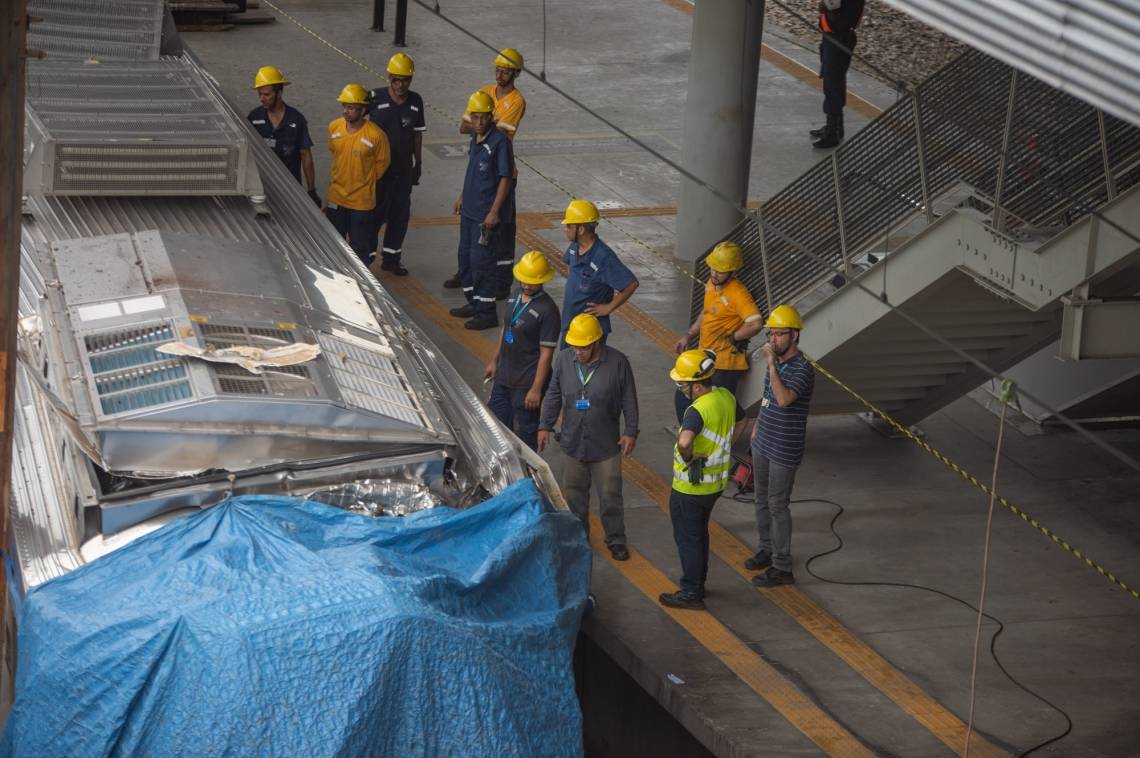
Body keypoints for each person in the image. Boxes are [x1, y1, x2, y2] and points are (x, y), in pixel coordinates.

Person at [538, 314, 639, 561]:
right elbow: (553, 393)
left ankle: (616, 539)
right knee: (574, 496)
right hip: (572, 443)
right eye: (574, 345)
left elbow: (629, 399)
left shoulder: (618, 363)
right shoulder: (564, 360)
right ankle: (578, 536)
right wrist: (545, 425)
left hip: (606, 445)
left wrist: (630, 431)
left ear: (596, 342)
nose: (578, 351)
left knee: (610, 496)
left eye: (583, 346)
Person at [659, 350, 746, 611]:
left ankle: (691, 592)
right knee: (699, 535)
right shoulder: (725, 397)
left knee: (688, 538)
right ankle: (698, 582)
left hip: (691, 487)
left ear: (696, 386)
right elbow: (742, 421)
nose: (680, 389)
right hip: (715, 485)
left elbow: (685, 441)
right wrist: (724, 446)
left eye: (682, 384)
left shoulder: (696, 411)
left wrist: (689, 456)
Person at [445, 47, 527, 297]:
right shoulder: (484, 92)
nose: (500, 73)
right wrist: (485, 123)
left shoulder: (516, 101)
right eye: (498, 68)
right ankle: (467, 271)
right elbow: (463, 127)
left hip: (501, 168)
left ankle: (500, 282)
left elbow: (499, 133)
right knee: (471, 231)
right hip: (481, 166)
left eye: (506, 70)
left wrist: (482, 123)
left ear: (516, 72)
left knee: (500, 228)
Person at [747, 305, 815, 587]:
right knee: (760, 499)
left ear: (795, 335)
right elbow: (768, 397)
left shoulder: (803, 368)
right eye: (771, 334)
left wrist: (772, 366)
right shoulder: (776, 363)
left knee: (777, 504)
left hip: (784, 448)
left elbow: (785, 399)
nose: (773, 339)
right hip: (763, 441)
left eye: (779, 334)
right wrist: (757, 425)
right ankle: (766, 548)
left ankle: (782, 566)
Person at [673, 241, 763, 423]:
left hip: (725, 365)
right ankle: (691, 436)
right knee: (684, 396)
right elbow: (706, 313)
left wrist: (735, 337)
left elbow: (756, 323)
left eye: (720, 271)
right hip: (706, 356)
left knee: (715, 408)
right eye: (712, 268)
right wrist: (688, 336)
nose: (714, 273)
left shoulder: (738, 294)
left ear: (732, 271)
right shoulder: (711, 284)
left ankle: (708, 442)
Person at [448, 90, 514, 331]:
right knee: (464, 259)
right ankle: (474, 303)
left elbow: (505, 178)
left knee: (482, 264)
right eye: (474, 118)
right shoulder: (475, 140)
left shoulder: (500, 143)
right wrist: (462, 196)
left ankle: (486, 313)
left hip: (484, 216)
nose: (478, 123)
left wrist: (494, 211)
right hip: (469, 212)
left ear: (491, 117)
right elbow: (473, 171)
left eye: (483, 118)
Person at [484, 251, 561, 451]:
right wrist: (495, 360)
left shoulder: (548, 310)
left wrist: (536, 389)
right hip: (504, 377)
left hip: (526, 383)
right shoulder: (515, 297)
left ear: (542, 280)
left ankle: (527, 478)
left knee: (526, 433)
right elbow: (506, 328)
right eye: (523, 281)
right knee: (498, 427)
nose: (527, 286)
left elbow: (546, 354)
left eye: (532, 283)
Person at [367, 53, 426, 276]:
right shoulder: (373, 98)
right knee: (374, 215)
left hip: (403, 171)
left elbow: (417, 135)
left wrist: (418, 163)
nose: (400, 85)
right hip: (379, 172)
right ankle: (367, 256)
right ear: (389, 77)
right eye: (396, 80)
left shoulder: (415, 101)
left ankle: (391, 258)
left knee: (400, 216)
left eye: (405, 80)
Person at [325, 83, 390, 268]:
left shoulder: (376, 136)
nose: (347, 111)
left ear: (363, 109)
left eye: (352, 107)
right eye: (344, 106)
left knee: (360, 246)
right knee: (334, 244)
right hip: (336, 197)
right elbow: (335, 152)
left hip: (361, 202)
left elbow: (381, 165)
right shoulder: (334, 127)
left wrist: (362, 181)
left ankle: (361, 283)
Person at [559, 199, 639, 347]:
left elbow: (631, 284)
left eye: (568, 225)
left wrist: (608, 308)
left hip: (589, 334)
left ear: (580, 230)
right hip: (570, 324)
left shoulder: (603, 257)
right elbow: (570, 265)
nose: (565, 229)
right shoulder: (574, 247)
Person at [247, 66, 319, 203]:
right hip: (262, 188)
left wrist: (311, 190)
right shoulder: (254, 117)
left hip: (290, 189)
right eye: (260, 94)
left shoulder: (296, 120)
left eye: (267, 95)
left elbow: (306, 155)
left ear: (279, 93)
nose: (262, 99)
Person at [811, 0, 865, 149]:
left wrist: (828, 9)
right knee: (834, 81)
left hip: (838, 38)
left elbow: (842, 17)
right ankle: (835, 126)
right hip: (834, 37)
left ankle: (832, 131)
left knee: (832, 83)